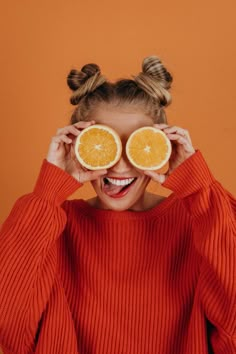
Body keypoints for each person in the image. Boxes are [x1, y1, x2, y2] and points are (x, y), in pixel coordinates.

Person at [0, 56, 235, 354]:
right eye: (104, 144)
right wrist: (48, 191)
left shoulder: (201, 220)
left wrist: (200, 188)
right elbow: (9, 327)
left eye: (137, 145)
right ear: (77, 146)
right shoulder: (51, 227)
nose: (121, 167)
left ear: (162, 145)